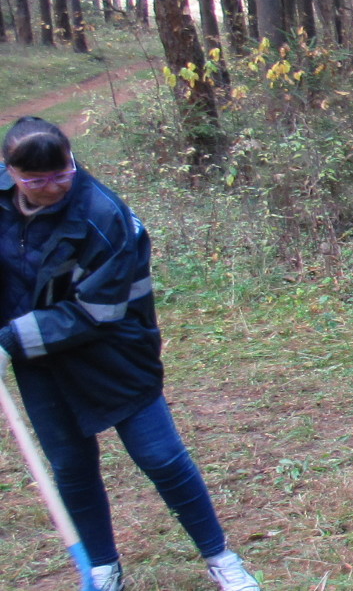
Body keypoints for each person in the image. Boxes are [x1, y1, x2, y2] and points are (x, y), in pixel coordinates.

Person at [0, 118, 262, 591]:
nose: (50, 188)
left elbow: (96, 310)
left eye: (60, 175)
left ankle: (222, 558)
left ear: (71, 160)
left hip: (115, 350)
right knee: (71, 466)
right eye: (34, 181)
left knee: (160, 456)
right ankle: (103, 568)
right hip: (41, 360)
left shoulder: (103, 216)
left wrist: (9, 339)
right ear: (11, 172)